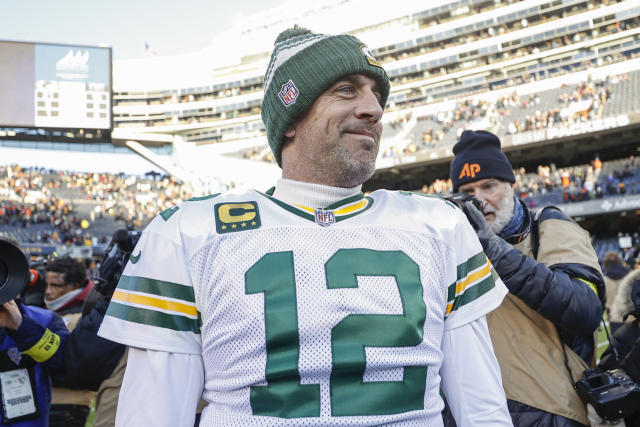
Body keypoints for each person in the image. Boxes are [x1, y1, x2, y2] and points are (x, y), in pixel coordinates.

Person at [99, 26, 512, 426]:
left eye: (376, 95)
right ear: (291, 115)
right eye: (346, 90)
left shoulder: (440, 225)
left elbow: (484, 409)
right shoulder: (186, 233)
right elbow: (153, 414)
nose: (374, 109)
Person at [449, 130, 605, 427]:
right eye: (468, 191)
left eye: (489, 186)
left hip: (552, 408)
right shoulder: (455, 245)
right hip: (478, 410)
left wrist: (494, 250)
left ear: (512, 186)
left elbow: (585, 310)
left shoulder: (548, 225)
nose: (479, 200)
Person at [44, 257, 95, 427]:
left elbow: (78, 367)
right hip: (48, 400)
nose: (48, 291)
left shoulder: (85, 317)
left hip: (69, 403)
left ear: (74, 286)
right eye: (47, 284)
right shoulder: (53, 312)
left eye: (56, 286)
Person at [602, 251, 630, 322]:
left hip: (613, 315)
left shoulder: (604, 281)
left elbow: (603, 301)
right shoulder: (630, 277)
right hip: (629, 314)